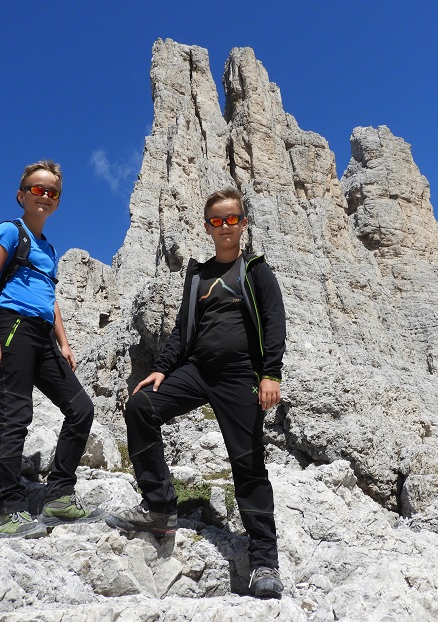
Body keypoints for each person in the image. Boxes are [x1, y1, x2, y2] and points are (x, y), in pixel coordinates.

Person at [106, 188, 286, 599]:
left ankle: (264, 561)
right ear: (207, 227)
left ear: (243, 223)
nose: (225, 227)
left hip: (240, 376)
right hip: (197, 370)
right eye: (217, 221)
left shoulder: (256, 270)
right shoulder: (199, 276)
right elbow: (181, 331)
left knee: (248, 465)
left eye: (232, 219)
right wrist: (161, 369)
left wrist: (270, 374)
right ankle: (159, 508)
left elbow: (274, 321)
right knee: (141, 406)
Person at [0, 160, 103, 540]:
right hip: (12, 326)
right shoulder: (9, 231)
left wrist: (63, 342)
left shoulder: (48, 247)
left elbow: (50, 297)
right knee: (17, 415)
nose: (44, 195)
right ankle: (7, 510)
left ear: (58, 201)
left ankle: (59, 496)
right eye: (37, 189)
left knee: (81, 408)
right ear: (22, 195)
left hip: (44, 336)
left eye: (52, 192)